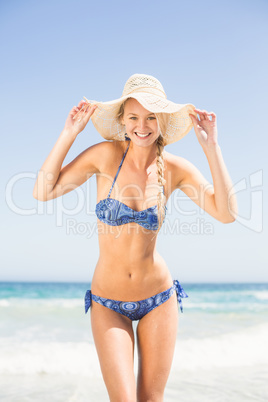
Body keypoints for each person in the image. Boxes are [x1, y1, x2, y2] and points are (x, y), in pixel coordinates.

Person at [33, 74, 237, 401]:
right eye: (134, 117)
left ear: (162, 121)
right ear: (122, 121)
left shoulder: (175, 168)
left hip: (158, 298)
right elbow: (43, 191)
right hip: (107, 301)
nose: (142, 126)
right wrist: (70, 133)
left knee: (150, 399)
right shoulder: (104, 156)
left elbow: (226, 213)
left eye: (151, 117)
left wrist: (211, 147)